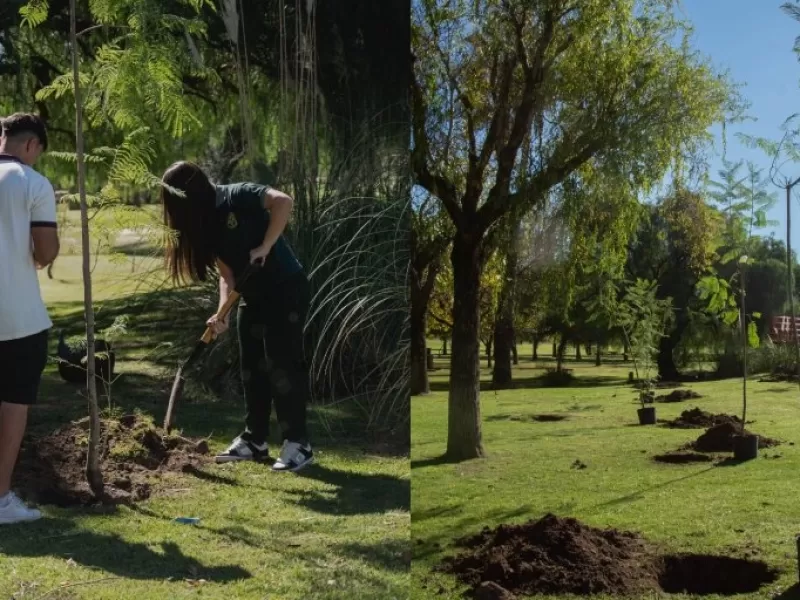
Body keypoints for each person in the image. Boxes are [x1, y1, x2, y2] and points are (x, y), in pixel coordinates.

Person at [160, 161, 314, 472]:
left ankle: (299, 444)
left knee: (282, 364)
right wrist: (222, 312)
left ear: (193, 192)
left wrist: (265, 246)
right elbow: (226, 274)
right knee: (251, 368)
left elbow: (283, 201)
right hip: (252, 296)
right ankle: (254, 440)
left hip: (285, 287)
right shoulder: (205, 220)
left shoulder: (238, 196)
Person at [0, 113, 59, 524]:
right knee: (13, 404)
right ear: (32, 145)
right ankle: (1, 500)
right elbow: (46, 251)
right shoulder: (33, 183)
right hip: (17, 317)